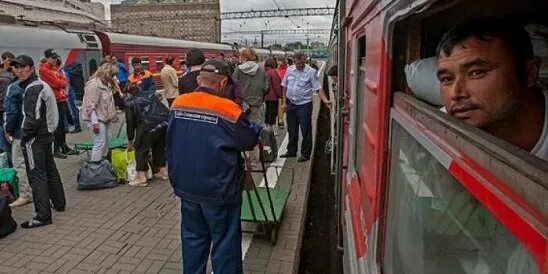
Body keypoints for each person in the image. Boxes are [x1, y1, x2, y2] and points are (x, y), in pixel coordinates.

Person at [167, 60, 261, 274]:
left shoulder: (178, 103)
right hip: (218, 189)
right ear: (223, 83)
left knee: (193, 240)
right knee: (225, 243)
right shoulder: (228, 109)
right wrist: (254, 127)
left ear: (199, 80)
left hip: (186, 186)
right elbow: (248, 140)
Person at [436, 17, 547, 162]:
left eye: (477, 72)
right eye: (446, 79)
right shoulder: (436, 129)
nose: (455, 93)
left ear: (529, 72)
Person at [11, 55, 66, 228]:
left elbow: (32, 118)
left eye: (23, 67)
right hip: (46, 135)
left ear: (32, 68)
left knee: (36, 175)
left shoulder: (33, 88)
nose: (19, 71)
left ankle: (42, 215)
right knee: (49, 170)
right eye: (16, 67)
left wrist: (24, 137)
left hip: (34, 139)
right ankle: (59, 202)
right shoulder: (41, 85)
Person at [280, 52, 331, 162]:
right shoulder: (289, 70)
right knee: (292, 129)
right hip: (291, 104)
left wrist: (325, 100)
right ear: (294, 61)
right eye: (298, 63)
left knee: (305, 130)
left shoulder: (311, 72)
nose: (300, 65)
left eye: (302, 62)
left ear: (305, 60)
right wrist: (284, 103)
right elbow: (284, 87)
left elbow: (318, 88)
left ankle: (305, 154)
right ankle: (291, 151)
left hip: (304, 105)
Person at [125, 83, 169, 187]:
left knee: (140, 149)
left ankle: (141, 177)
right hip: (164, 122)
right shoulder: (150, 94)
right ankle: (162, 172)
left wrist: (130, 140)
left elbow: (130, 122)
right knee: (159, 146)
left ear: (128, 93)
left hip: (147, 125)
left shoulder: (129, 102)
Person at [39, 49, 77, 158]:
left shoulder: (55, 68)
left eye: (55, 57)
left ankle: (63, 146)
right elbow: (56, 83)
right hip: (54, 100)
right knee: (56, 126)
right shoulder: (44, 70)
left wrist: (62, 83)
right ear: (47, 58)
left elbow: (64, 81)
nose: (55, 60)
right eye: (52, 57)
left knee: (62, 126)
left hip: (61, 99)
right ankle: (55, 149)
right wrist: (62, 83)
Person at [4, 67, 33, 208]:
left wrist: (8, 129)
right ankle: (37, 191)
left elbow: (11, 111)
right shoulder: (36, 84)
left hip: (19, 132)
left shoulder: (14, 87)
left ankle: (25, 194)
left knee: (19, 163)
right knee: (34, 163)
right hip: (33, 131)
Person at [82, 63, 119, 163]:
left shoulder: (107, 84)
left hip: (105, 118)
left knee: (107, 141)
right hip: (96, 119)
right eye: (112, 74)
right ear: (106, 73)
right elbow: (90, 106)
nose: (113, 77)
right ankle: (95, 167)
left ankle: (102, 162)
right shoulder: (94, 85)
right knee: (99, 142)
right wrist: (95, 123)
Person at [232, 48, 269, 126]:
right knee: (256, 126)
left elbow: (233, 85)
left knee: (242, 126)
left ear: (245, 58)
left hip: (242, 104)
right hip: (257, 103)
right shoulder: (261, 70)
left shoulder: (238, 70)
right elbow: (266, 87)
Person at [0, 51, 16, 156]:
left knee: (5, 141)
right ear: (4, 59)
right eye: (9, 60)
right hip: (4, 109)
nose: (10, 62)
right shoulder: (5, 75)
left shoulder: (10, 75)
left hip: (3, 110)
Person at [61, 61, 83, 134]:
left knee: (72, 110)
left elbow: (65, 84)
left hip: (68, 93)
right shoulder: (65, 72)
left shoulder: (62, 73)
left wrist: (65, 94)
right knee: (72, 109)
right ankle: (73, 126)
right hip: (70, 92)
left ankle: (76, 126)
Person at [264, 58, 283, 131]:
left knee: (268, 112)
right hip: (273, 96)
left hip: (266, 96)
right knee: (272, 113)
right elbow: (276, 85)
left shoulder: (265, 72)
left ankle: (267, 128)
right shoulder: (273, 72)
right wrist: (280, 95)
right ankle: (270, 130)